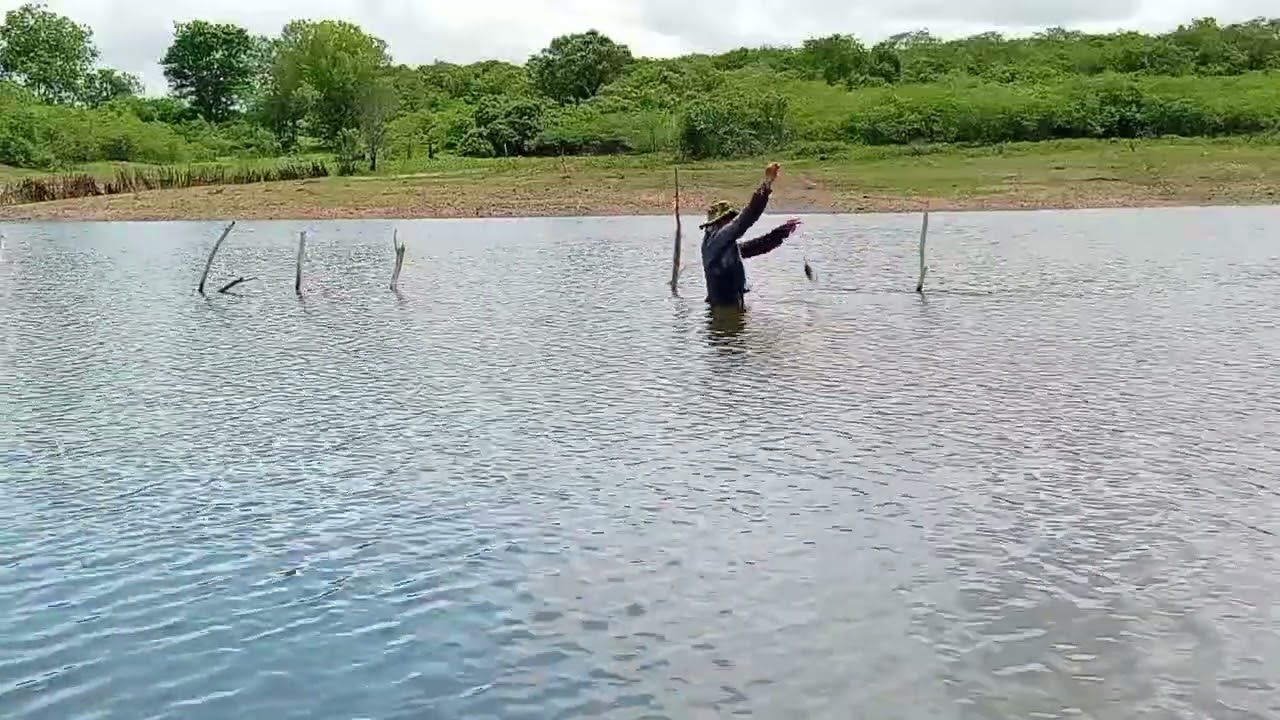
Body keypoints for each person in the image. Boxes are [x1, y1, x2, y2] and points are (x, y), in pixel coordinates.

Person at [699, 161, 802, 309]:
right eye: (729, 220)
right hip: (725, 309)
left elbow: (755, 247)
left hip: (729, 308)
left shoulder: (721, 244)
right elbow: (745, 219)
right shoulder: (716, 241)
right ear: (719, 222)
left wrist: (781, 232)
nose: (731, 223)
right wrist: (767, 184)